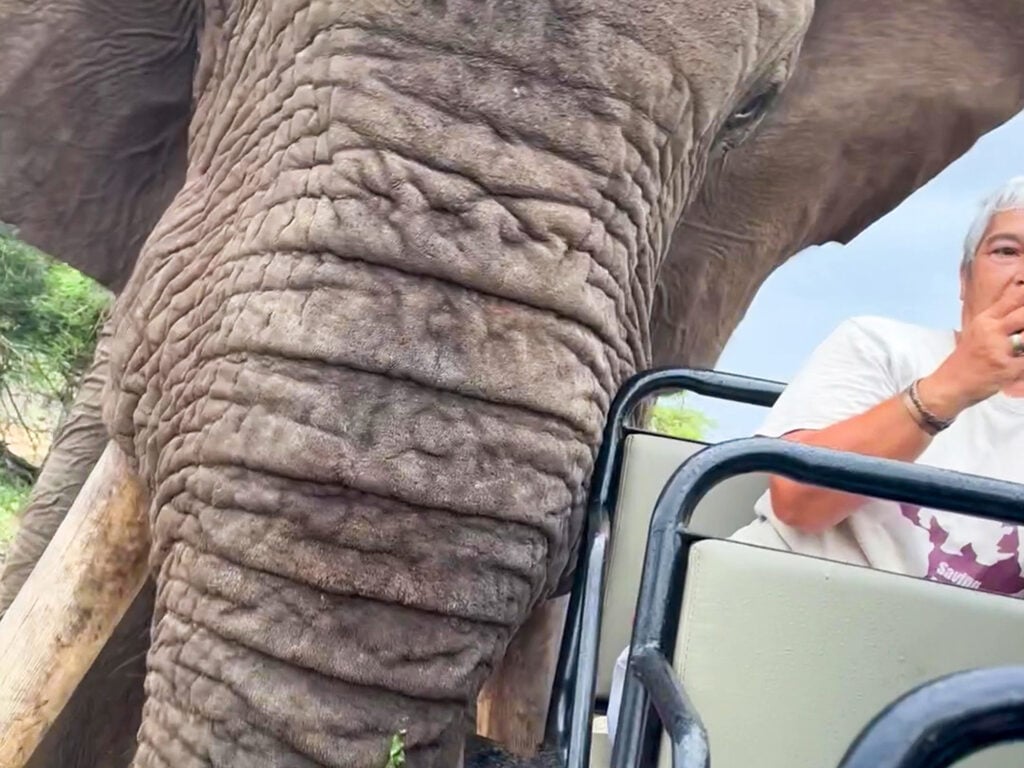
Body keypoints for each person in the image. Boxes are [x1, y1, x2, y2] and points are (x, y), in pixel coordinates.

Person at [606, 174, 1024, 746]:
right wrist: (950, 388)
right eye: (1007, 251)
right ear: (963, 277)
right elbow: (800, 500)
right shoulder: (878, 347)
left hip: (943, 712)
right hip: (760, 660)